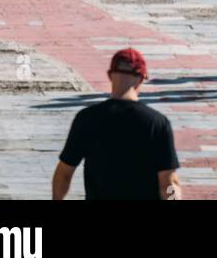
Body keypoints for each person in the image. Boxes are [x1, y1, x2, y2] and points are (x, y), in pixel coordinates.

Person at [53, 47, 181, 201]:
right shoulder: (157, 123)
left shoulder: (87, 119)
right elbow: (168, 182)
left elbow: (64, 173)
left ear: (110, 76)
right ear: (141, 78)